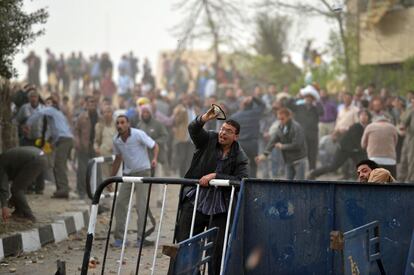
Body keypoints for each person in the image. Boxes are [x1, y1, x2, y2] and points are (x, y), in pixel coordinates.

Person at [174, 107, 249, 275]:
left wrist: (216, 176)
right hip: (195, 200)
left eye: (228, 132)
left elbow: (241, 180)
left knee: (217, 250)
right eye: (222, 129)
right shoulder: (208, 139)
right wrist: (204, 118)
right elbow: (193, 129)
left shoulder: (240, 156)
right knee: (186, 243)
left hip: (221, 206)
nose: (223, 133)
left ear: (236, 136)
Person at [111, 115, 159, 248]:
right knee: (120, 203)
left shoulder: (138, 134)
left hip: (143, 172)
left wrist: (154, 159)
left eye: (122, 122)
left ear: (128, 124)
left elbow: (155, 145)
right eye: (117, 123)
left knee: (141, 205)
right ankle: (119, 238)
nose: (119, 125)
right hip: (128, 174)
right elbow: (118, 159)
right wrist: (110, 179)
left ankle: (141, 237)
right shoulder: (116, 140)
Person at [26, 97, 74, 198]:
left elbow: (39, 113)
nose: (46, 105)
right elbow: (53, 130)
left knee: (59, 165)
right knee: (59, 165)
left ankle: (63, 189)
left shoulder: (51, 110)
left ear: (53, 104)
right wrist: (51, 142)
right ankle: (62, 188)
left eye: (49, 102)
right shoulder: (57, 114)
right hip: (64, 140)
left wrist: (28, 124)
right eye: (46, 102)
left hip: (64, 140)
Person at [308, 109, 371, 180]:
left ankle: (359, 180)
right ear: (359, 117)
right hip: (344, 149)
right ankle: (313, 173)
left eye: (365, 115)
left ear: (368, 117)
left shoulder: (368, 127)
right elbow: (357, 142)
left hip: (355, 150)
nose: (363, 117)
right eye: (361, 115)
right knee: (333, 167)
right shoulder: (356, 126)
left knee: (363, 165)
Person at [256, 108, 307, 180]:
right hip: (288, 159)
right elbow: (273, 141)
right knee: (288, 184)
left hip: (298, 159)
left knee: (300, 183)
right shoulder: (280, 127)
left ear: (289, 116)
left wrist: (283, 146)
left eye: (282, 119)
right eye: (279, 119)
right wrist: (265, 154)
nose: (280, 121)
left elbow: (297, 145)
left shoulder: (296, 127)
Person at [0, 147, 47, 222]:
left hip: (35, 160)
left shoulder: (1, 164)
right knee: (17, 187)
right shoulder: (5, 159)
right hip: (40, 156)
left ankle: (29, 216)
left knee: (17, 189)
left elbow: (3, 187)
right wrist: (10, 201)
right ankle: (19, 212)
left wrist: (4, 206)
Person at [230, 95, 265, 177]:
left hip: (240, 143)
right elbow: (263, 105)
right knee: (253, 164)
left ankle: (240, 183)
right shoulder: (255, 113)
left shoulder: (235, 116)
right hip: (253, 143)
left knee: (239, 164)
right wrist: (253, 97)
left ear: (242, 105)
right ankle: (252, 183)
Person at [74, 96, 99, 199]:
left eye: (94, 102)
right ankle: (81, 191)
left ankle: (95, 192)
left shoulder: (99, 117)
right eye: (90, 102)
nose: (92, 104)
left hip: (95, 147)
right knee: (82, 171)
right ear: (86, 104)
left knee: (96, 171)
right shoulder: (82, 117)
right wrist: (78, 142)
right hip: (84, 146)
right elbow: (76, 130)